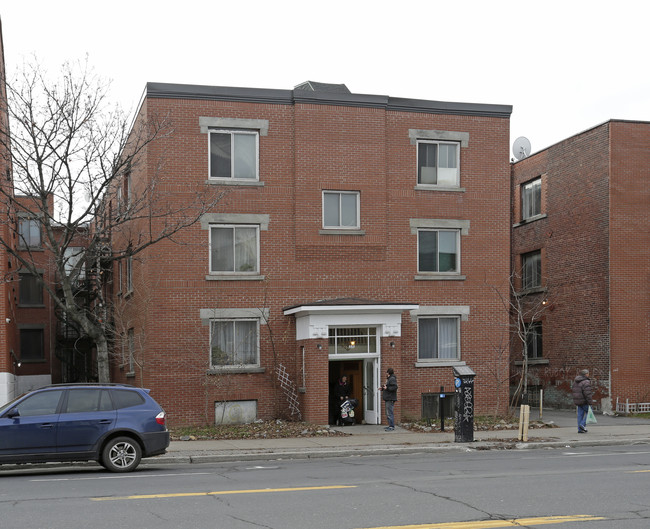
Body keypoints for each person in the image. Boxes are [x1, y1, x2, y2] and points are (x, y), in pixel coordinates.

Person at [572, 369, 594, 433]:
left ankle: (580, 429)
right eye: (588, 373)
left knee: (580, 415)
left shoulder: (575, 381)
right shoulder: (586, 382)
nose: (589, 374)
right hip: (584, 401)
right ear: (586, 374)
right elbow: (587, 393)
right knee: (590, 412)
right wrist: (590, 402)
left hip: (578, 401)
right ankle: (582, 425)